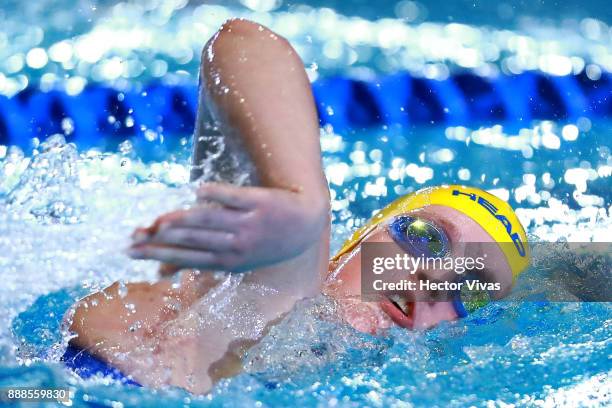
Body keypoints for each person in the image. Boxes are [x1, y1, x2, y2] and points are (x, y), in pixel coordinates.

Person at [64, 19, 530, 394]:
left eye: (471, 288)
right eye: (426, 239)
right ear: (356, 246)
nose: (434, 279)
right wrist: (302, 203)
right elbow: (241, 43)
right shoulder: (261, 278)